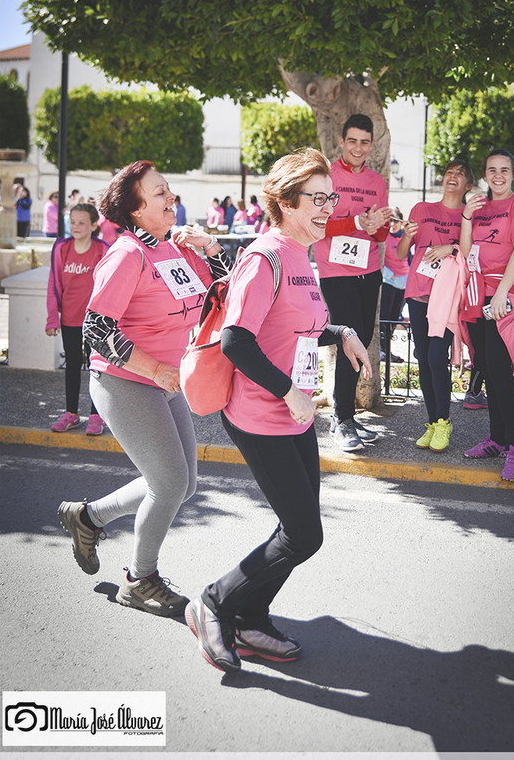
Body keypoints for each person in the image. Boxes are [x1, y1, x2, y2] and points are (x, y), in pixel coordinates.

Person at [185, 148, 372, 672]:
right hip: (259, 416)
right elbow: (236, 341)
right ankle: (214, 603)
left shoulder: (301, 255)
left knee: (298, 529)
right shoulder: (264, 257)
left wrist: (344, 332)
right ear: (287, 203)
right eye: (318, 199)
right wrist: (289, 390)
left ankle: (251, 618)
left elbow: (300, 327)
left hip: (295, 414)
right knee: (304, 534)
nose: (329, 208)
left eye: (331, 198)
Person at [57, 161, 232, 616]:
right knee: (170, 483)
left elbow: (227, 292)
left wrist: (211, 246)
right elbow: (96, 329)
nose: (171, 197)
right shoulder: (126, 255)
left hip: (168, 381)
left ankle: (88, 518)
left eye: (169, 190)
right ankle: (140, 580)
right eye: (159, 193)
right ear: (136, 210)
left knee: (183, 485)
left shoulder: (177, 248)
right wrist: (155, 370)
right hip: (125, 382)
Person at [312, 114, 392, 452]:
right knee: (349, 339)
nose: (358, 148)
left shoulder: (377, 181)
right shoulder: (325, 177)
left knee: (364, 340)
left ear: (371, 145)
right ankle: (341, 418)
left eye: (364, 142)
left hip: (369, 270)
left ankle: (346, 416)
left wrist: (377, 226)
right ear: (342, 142)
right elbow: (317, 223)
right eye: (352, 141)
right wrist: (356, 222)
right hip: (336, 272)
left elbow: (382, 235)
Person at [460, 149, 514, 481]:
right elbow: (466, 253)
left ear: (513, 174)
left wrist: (502, 293)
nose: (498, 175)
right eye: (492, 169)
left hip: (505, 293)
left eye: (504, 169)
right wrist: (466, 217)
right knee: (488, 369)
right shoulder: (479, 207)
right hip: (478, 294)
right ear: (485, 174)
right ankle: (496, 439)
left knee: (501, 371)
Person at [397, 160, 475, 452]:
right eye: (449, 172)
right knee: (423, 359)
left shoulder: (469, 215)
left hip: (447, 296)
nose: (452, 176)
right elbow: (402, 253)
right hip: (418, 292)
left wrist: (450, 247)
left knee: (435, 357)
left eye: (460, 174)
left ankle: (444, 421)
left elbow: (470, 252)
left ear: (468, 185)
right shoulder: (421, 209)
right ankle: (431, 422)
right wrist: (406, 235)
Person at [46, 203, 110, 435]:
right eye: (72, 222)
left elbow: (113, 285)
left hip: (97, 321)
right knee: (72, 365)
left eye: (82, 222)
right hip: (70, 318)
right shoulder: (61, 249)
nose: (76, 226)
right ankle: (71, 414)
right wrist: (52, 318)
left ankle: (96, 415)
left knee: (97, 368)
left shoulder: (104, 250)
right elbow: (54, 284)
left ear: (93, 226)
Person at [380, 207, 408, 364]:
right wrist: (390, 275)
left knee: (394, 319)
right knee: (385, 318)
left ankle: (388, 350)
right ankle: (382, 350)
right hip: (388, 282)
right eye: (389, 220)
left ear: (401, 222)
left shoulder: (405, 237)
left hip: (403, 283)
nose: (392, 224)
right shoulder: (384, 237)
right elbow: (378, 259)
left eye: (395, 221)